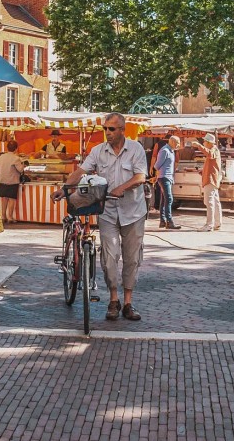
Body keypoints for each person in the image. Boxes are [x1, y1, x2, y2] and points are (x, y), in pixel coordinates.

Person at [59, 112, 147, 321]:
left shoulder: (136, 148)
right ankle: (113, 301)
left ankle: (128, 302)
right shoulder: (98, 151)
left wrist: (121, 188)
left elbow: (140, 177)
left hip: (133, 211)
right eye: (105, 129)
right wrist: (64, 190)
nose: (107, 132)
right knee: (109, 257)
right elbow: (81, 171)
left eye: (112, 129)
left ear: (122, 130)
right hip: (107, 211)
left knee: (132, 258)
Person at [192, 132, 223, 232]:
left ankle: (209, 224)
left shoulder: (214, 150)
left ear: (209, 142)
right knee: (215, 202)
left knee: (209, 202)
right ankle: (217, 223)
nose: (204, 142)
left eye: (205, 141)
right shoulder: (214, 150)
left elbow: (210, 155)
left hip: (210, 180)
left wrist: (199, 146)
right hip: (212, 179)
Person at [153, 135, 181, 230]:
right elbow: (157, 165)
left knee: (164, 199)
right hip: (164, 177)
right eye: (177, 143)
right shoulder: (165, 151)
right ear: (172, 142)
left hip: (168, 177)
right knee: (169, 199)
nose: (179, 145)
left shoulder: (171, 151)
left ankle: (162, 221)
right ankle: (169, 221)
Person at [0, 140, 25, 224]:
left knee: (4, 199)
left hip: (2, 180)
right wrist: (24, 164)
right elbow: (20, 169)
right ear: (16, 149)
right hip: (12, 181)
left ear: (7, 148)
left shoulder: (2, 157)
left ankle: (3, 216)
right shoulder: (16, 158)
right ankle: (10, 217)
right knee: (12, 199)